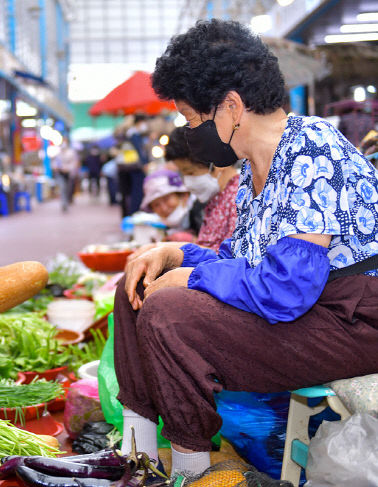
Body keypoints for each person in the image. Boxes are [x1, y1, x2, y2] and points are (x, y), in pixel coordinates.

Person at [113, 19, 378, 482]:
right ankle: (139, 456)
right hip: (308, 311)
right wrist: (177, 255)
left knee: (170, 312)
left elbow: (286, 289)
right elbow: (244, 268)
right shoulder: (254, 173)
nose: (191, 132)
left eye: (193, 120)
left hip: (352, 320)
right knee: (139, 282)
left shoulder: (311, 148)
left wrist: (191, 279)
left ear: (231, 107)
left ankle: (192, 472)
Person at [53, 139, 80, 212]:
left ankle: (67, 202)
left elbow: (74, 163)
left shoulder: (71, 153)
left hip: (69, 174)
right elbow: (55, 163)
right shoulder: (58, 153)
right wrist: (57, 168)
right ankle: (63, 203)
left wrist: (68, 169)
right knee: (62, 188)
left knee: (68, 189)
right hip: (60, 173)